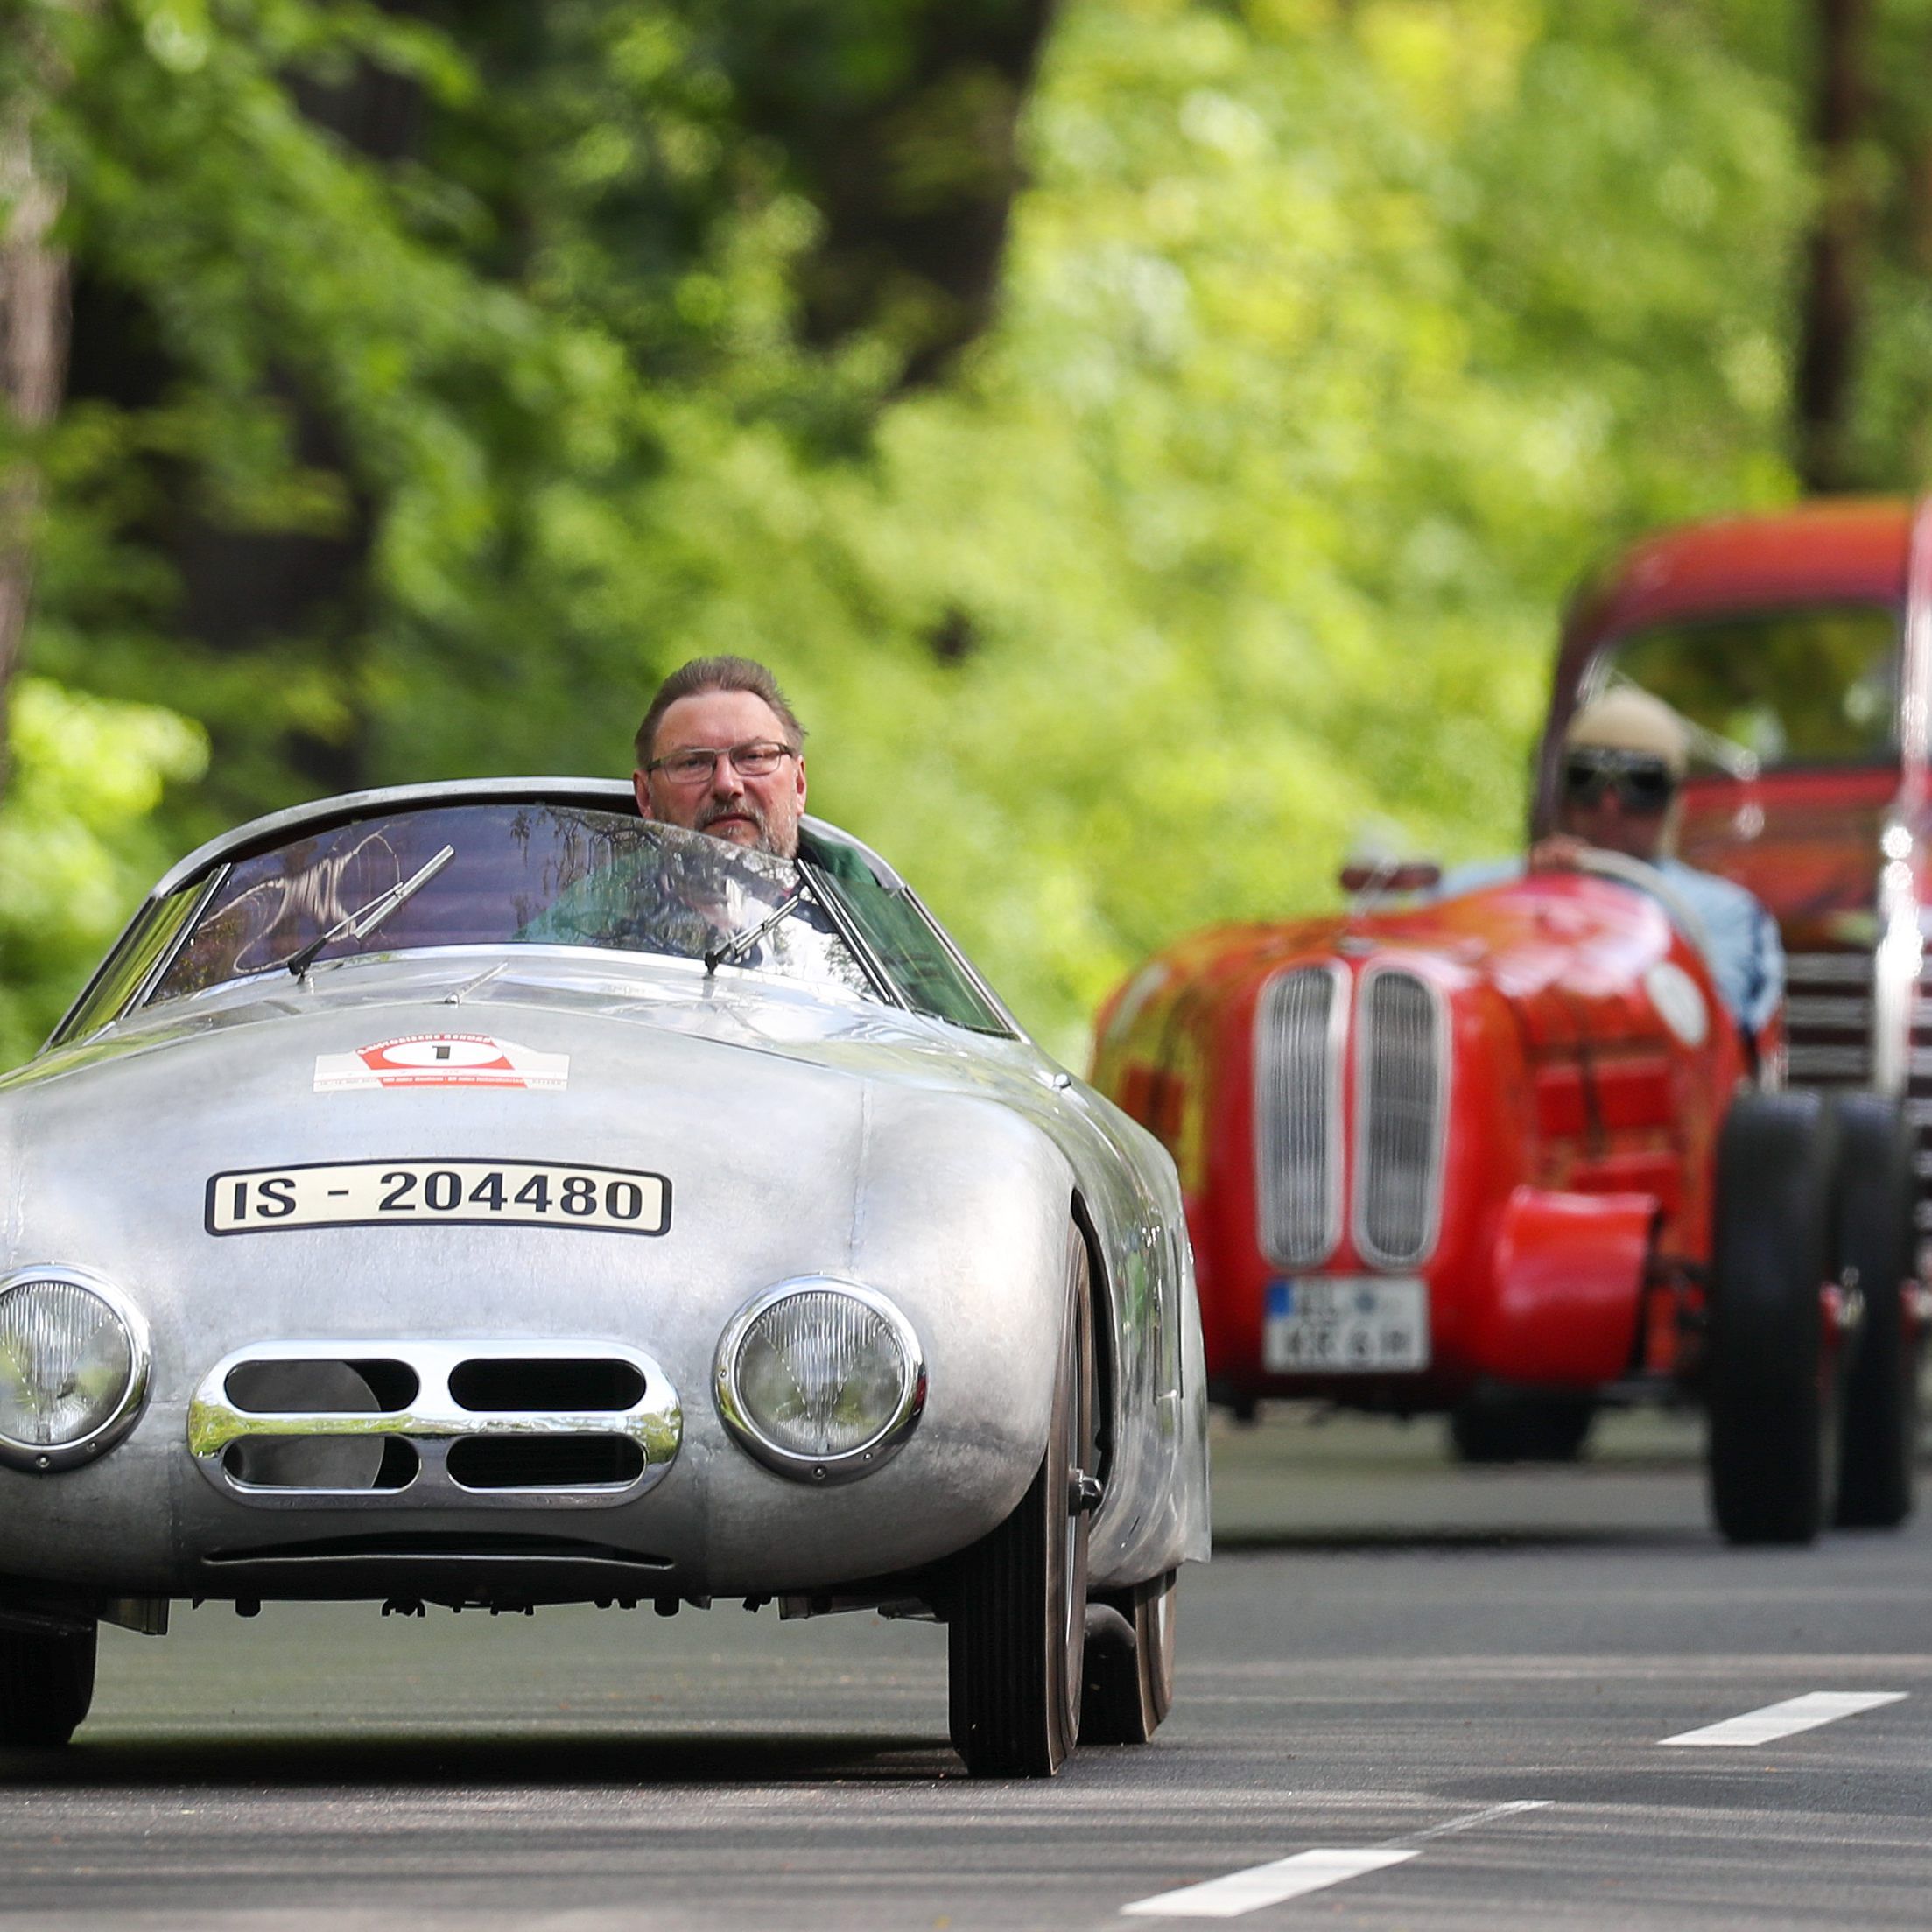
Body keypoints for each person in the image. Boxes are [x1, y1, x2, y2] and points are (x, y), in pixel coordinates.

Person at [1532, 686, 1783, 1036]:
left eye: (1642, 783)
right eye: (1585, 778)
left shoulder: (1721, 912)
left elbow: (1716, 1035)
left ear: (1672, 797)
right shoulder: (1508, 887)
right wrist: (1537, 901)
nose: (1610, 805)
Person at [633, 655, 809, 860]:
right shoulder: (593, 888)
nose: (726, 784)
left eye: (754, 757)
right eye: (693, 763)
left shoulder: (850, 889)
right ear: (645, 796)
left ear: (798, 785)